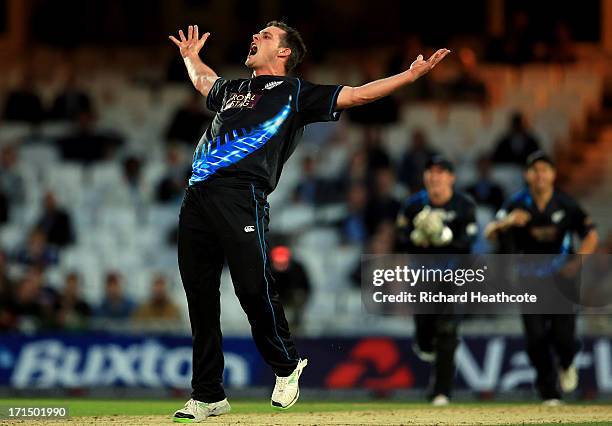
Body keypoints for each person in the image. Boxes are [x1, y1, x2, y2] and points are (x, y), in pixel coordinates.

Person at [168, 21, 450, 422]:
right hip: (196, 197)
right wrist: (190, 57)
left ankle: (286, 365)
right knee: (200, 299)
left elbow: (356, 95)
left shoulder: (296, 93)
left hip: (242, 194)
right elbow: (204, 82)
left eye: (265, 36)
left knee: (253, 288)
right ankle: (208, 394)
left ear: (284, 53)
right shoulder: (232, 90)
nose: (254, 37)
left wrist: (410, 75)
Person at [485, 151, 598, 405]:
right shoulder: (516, 202)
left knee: (564, 337)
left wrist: (577, 260)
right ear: (527, 175)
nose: (540, 175)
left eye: (545, 170)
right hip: (530, 279)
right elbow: (489, 232)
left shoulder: (565, 203)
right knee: (535, 338)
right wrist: (508, 222)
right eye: (535, 170)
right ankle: (549, 392)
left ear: (553, 175)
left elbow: (591, 235)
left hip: (562, 278)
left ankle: (567, 363)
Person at [395, 156, 477, 406]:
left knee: (448, 329)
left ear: (451, 177)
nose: (435, 177)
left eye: (441, 172)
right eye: (430, 172)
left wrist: (443, 237)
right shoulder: (413, 205)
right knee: (425, 331)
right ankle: (423, 341)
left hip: (454, 276)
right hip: (422, 276)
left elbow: (468, 242)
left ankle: (442, 392)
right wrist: (417, 237)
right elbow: (400, 238)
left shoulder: (464, 205)